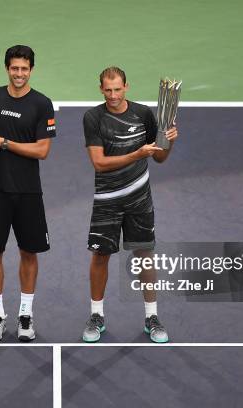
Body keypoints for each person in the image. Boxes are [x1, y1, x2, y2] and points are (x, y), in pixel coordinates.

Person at [81, 66, 178, 343]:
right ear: (101, 89)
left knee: (144, 255)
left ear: (126, 87)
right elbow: (99, 162)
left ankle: (152, 318)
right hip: (107, 201)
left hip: (139, 199)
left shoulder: (144, 114)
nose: (112, 95)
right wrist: (137, 153)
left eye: (117, 89)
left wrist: (168, 143)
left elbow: (159, 158)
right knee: (100, 256)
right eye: (107, 90)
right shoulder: (93, 118)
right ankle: (96, 315)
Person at [0, 45, 56, 342]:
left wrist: (4, 142)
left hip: (29, 191)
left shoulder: (42, 104)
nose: (19, 74)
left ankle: (25, 315)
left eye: (24, 68)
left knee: (28, 253)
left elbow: (42, 150)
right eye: (14, 68)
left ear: (31, 70)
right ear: (7, 68)